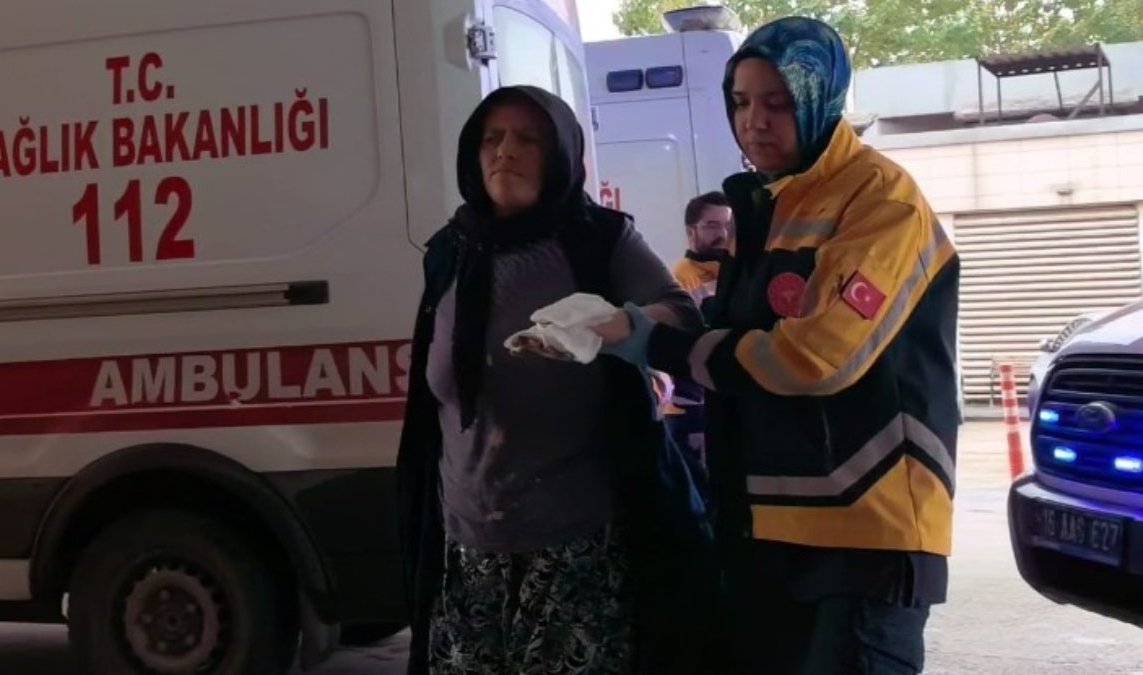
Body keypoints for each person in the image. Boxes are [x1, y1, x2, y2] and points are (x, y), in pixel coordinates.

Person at [593, 17, 960, 675]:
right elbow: (740, 339)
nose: (753, 122)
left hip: (864, 526)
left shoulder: (882, 199)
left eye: (778, 102)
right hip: (767, 521)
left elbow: (815, 357)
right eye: (740, 101)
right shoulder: (768, 205)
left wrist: (661, 346)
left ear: (820, 97)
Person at [395, 84, 712, 675]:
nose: (505, 151)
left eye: (528, 139)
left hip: (575, 541)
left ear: (561, 154)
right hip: (466, 548)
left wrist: (619, 324)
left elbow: (682, 315)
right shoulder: (449, 251)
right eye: (492, 139)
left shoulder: (598, 239)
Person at [661, 192, 734, 494]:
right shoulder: (679, 280)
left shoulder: (733, 273)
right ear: (691, 232)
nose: (722, 234)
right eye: (712, 226)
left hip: (729, 399)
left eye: (728, 226)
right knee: (705, 491)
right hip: (693, 408)